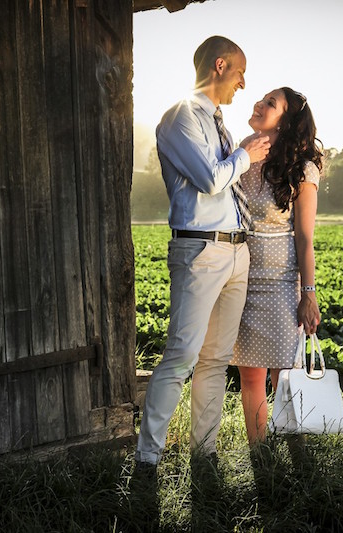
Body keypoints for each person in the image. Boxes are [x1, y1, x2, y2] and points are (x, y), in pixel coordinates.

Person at [134, 36, 271, 471]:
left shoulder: (218, 123)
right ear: (219, 65)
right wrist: (246, 156)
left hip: (235, 252)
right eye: (240, 72)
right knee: (181, 356)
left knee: (214, 360)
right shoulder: (180, 116)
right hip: (200, 250)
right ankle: (147, 460)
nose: (244, 84)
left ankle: (204, 455)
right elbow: (212, 180)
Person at [231, 87, 324, 447]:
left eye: (271, 103)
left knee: (285, 375)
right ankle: (260, 456)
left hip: (280, 284)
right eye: (263, 98)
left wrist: (308, 294)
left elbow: (304, 238)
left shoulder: (302, 169)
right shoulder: (242, 152)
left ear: (286, 122)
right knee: (250, 377)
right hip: (238, 279)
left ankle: (299, 454)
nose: (259, 103)